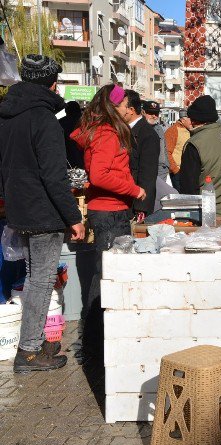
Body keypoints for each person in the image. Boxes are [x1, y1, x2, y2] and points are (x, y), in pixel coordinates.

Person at [0, 54, 85, 372]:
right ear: (52, 83)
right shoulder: (44, 118)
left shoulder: (8, 115)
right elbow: (53, 175)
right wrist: (73, 217)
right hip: (43, 210)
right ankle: (29, 351)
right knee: (40, 280)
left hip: (20, 207)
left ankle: (32, 342)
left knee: (36, 278)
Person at [71, 84, 145, 360]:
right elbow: (100, 175)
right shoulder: (106, 134)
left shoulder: (103, 131)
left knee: (105, 273)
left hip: (111, 210)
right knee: (107, 276)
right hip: (110, 212)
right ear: (115, 106)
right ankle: (94, 342)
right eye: (125, 104)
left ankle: (97, 339)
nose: (128, 109)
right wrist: (133, 189)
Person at [180, 95, 221, 270]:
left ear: (194, 120)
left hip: (207, 220)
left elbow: (187, 188)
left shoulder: (195, 143)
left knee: (209, 271)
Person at [124, 90, 160, 220]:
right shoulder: (125, 129)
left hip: (135, 205)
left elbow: (148, 174)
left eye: (120, 106)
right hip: (125, 199)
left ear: (131, 109)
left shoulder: (147, 134)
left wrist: (141, 209)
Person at [142, 100, 170, 182]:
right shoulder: (140, 128)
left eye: (156, 114)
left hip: (161, 170)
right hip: (146, 171)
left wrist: (166, 165)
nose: (154, 116)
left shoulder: (159, 128)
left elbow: (164, 148)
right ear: (143, 112)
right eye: (150, 113)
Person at [165, 109, 192, 191]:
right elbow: (167, 152)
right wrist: (175, 170)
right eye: (190, 119)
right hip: (178, 172)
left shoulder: (191, 130)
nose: (193, 122)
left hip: (189, 171)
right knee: (180, 197)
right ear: (183, 120)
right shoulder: (172, 131)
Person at [59, 100, 84, 169]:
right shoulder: (87, 121)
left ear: (66, 111)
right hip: (84, 157)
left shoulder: (61, 122)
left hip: (67, 158)